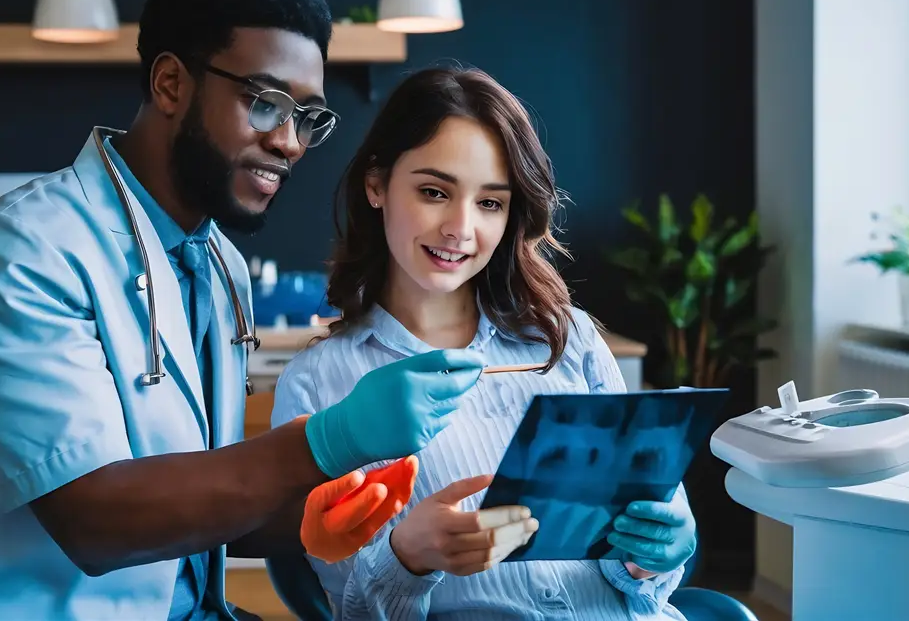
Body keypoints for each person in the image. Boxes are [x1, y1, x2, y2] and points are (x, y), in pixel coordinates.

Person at [0, 0, 483, 621]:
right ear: (171, 83)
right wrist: (326, 439)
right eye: (264, 102)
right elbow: (96, 518)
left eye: (306, 116)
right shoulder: (21, 253)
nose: (288, 142)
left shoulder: (217, 264)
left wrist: (318, 511)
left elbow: (197, 494)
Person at [271, 66, 698, 620]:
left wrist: (657, 552)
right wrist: (409, 557)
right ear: (376, 184)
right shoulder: (318, 384)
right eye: (433, 192)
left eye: (490, 203)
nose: (460, 228)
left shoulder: (570, 340)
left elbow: (645, 562)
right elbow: (352, 609)